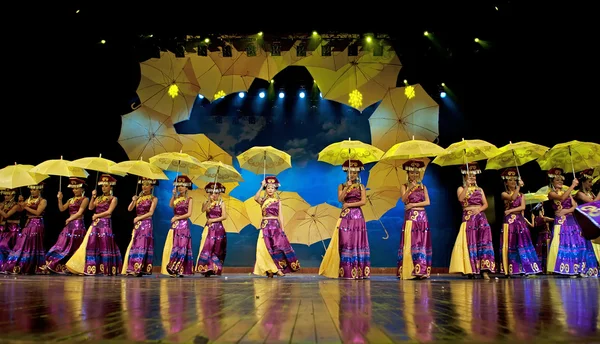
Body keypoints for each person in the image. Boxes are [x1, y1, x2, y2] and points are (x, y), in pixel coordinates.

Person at [319, 159, 370, 280]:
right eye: (350, 172)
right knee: (345, 241)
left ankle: (358, 270)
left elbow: (363, 202)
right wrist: (347, 188)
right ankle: (345, 270)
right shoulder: (341, 186)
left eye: (354, 173)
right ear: (346, 173)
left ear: (358, 174)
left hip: (357, 216)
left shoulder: (361, 187)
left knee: (357, 242)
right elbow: (341, 199)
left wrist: (350, 205)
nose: (352, 175)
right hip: (345, 216)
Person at [66, 174, 122, 275]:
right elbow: (91, 207)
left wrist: (97, 215)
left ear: (111, 187)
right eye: (102, 186)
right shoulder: (98, 198)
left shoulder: (113, 199)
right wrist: (93, 197)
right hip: (95, 224)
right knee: (91, 244)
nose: (104, 188)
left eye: (106, 186)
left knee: (104, 245)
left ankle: (105, 268)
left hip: (105, 224)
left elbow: (109, 212)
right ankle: (90, 267)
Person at [546, 167, 598, 277]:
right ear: (552, 181)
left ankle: (578, 268)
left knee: (576, 243)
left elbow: (575, 206)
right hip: (561, 222)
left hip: (571, 220)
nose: (560, 182)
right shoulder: (551, 193)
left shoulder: (567, 192)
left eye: (561, 180)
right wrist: (573, 185)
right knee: (564, 243)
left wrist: (566, 210)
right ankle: (566, 269)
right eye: (557, 180)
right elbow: (561, 198)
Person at [448, 162, 495, 279]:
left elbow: (485, 204)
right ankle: (470, 269)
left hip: (480, 217)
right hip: (468, 217)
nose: (472, 178)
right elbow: (460, 199)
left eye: (474, 176)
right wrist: (467, 187)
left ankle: (485, 270)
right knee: (470, 241)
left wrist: (479, 210)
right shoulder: (461, 188)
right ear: (464, 177)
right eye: (470, 176)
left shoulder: (480, 189)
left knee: (483, 242)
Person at [253, 176, 300, 278]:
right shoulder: (263, 200)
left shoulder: (277, 201)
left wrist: (282, 229)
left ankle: (277, 269)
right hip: (265, 226)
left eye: (272, 188)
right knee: (264, 248)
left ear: (275, 189)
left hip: (275, 226)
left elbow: (280, 215)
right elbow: (255, 198)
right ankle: (269, 269)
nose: (270, 189)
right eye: (268, 187)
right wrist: (261, 186)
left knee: (277, 248)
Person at [499, 168, 541, 277]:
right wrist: (518, 187)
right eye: (511, 180)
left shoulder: (521, 195)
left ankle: (526, 268)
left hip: (519, 221)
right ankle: (510, 269)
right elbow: (512, 198)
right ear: (506, 183)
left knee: (523, 243)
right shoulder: (504, 194)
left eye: (515, 180)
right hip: (509, 223)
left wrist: (510, 210)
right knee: (510, 244)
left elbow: (522, 207)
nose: (513, 182)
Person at [44, 177, 89, 273]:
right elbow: (62, 209)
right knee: (62, 244)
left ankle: (75, 267)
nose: (74, 190)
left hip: (78, 225)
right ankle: (56, 264)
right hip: (69, 225)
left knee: (74, 246)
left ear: (82, 189)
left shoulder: (85, 199)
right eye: (73, 188)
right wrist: (60, 199)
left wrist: (70, 218)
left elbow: (80, 213)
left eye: (77, 188)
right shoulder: (71, 200)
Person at [397, 159, 432, 280]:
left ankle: (421, 270)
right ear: (408, 173)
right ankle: (410, 269)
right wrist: (410, 188)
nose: (414, 175)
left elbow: (428, 202)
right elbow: (403, 199)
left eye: (416, 172)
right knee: (412, 242)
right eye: (412, 172)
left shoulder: (423, 187)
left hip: (422, 217)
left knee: (422, 243)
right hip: (411, 218)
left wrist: (413, 205)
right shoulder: (404, 186)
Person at [2, 182, 47, 274]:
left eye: (34, 189)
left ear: (40, 190)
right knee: (24, 245)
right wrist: (20, 203)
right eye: (31, 189)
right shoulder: (28, 200)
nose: (32, 191)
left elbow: (38, 213)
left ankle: (35, 266)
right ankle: (23, 265)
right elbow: (20, 210)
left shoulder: (43, 201)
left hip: (37, 223)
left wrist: (25, 206)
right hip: (28, 223)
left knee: (34, 244)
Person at [122, 177, 157, 276]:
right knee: (134, 245)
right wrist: (133, 200)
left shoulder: (153, 198)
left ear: (151, 186)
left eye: (147, 185)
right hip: (137, 224)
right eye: (143, 184)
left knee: (142, 246)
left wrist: (139, 218)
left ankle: (138, 269)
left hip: (146, 223)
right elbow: (129, 209)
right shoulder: (139, 198)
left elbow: (150, 213)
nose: (144, 187)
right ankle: (132, 267)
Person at [161, 175, 195, 277]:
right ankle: (172, 267)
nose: (180, 187)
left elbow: (189, 214)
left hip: (183, 224)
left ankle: (180, 269)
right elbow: (171, 205)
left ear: (187, 187)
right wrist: (173, 195)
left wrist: (177, 218)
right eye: (179, 185)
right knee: (174, 246)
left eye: (183, 185)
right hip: (175, 225)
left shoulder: (189, 199)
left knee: (182, 246)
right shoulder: (176, 198)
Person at [195, 182, 228, 277]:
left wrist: (213, 220)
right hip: (208, 228)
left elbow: (224, 216)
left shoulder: (222, 203)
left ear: (219, 194)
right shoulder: (206, 203)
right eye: (212, 193)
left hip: (218, 229)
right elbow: (203, 210)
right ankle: (206, 268)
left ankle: (214, 268)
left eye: (216, 193)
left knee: (217, 249)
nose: (214, 195)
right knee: (206, 247)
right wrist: (209, 201)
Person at [573, 168, 600, 264]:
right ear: (583, 182)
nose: (591, 184)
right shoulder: (580, 194)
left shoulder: (591, 193)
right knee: (586, 245)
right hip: (583, 222)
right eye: (589, 182)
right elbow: (593, 203)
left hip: (591, 221)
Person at [0, 189, 21, 269]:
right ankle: (3, 266)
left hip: (13, 229)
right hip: (4, 229)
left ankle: (11, 265)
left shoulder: (16, 205)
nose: (6, 197)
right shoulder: (2, 204)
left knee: (4, 246)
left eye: (8, 195)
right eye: (5, 195)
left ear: (13, 195)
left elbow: (6, 215)